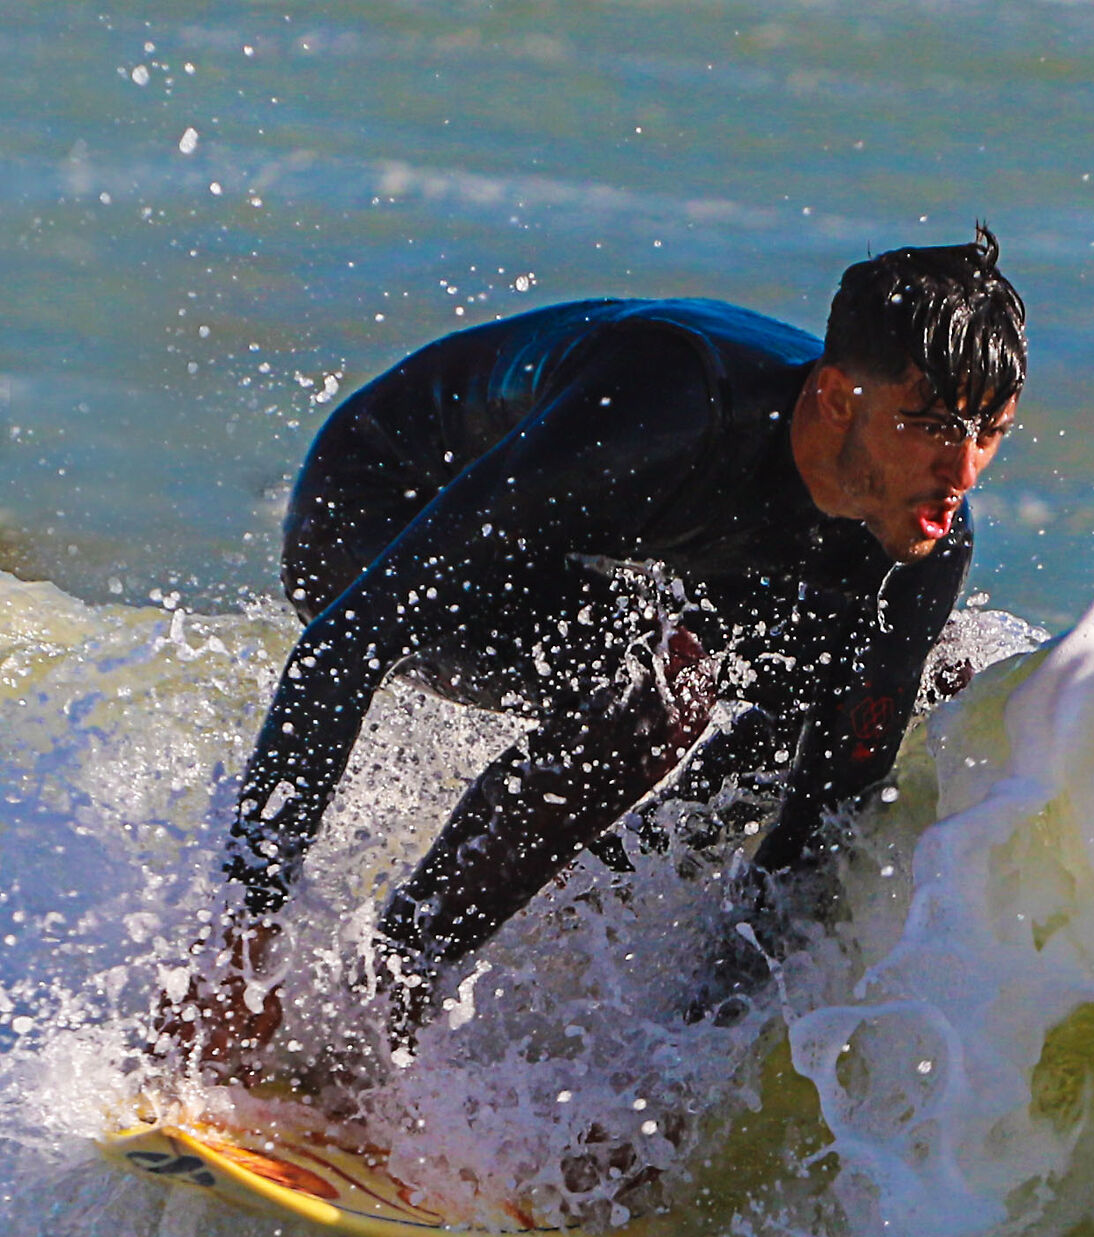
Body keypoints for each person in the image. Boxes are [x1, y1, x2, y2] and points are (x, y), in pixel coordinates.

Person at [153, 228, 1026, 1086]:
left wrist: (678, 1075)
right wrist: (246, 921)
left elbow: (814, 835)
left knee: (885, 687)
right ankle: (382, 1008)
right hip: (377, 513)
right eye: (930, 426)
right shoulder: (671, 410)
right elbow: (346, 637)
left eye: (989, 432)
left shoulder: (922, 536)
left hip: (625, 548)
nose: (962, 471)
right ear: (836, 400)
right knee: (655, 690)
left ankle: (591, 942)